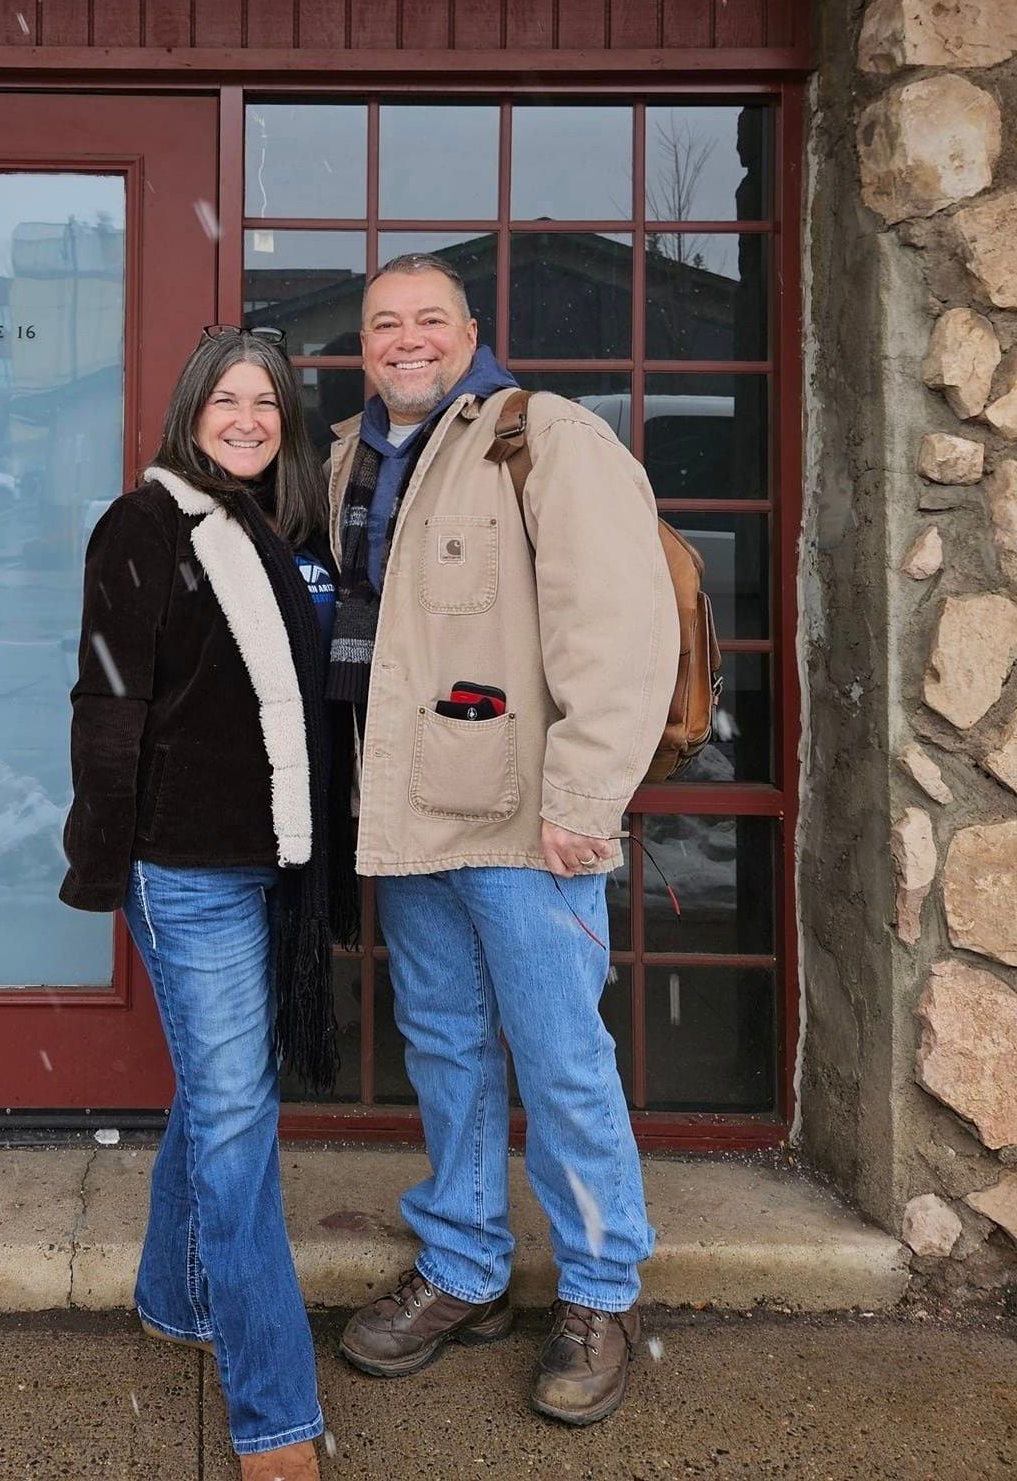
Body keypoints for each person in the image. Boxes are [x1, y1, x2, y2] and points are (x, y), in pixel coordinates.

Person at [327, 255, 679, 1426]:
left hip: (532, 820)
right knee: (445, 1045)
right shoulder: (349, 455)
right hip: (418, 815)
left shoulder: (549, 439)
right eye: (387, 324)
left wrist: (586, 796)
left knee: (560, 1055)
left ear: (471, 333)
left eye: (431, 320)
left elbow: (619, 629)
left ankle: (597, 1288)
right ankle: (465, 1264)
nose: (408, 339)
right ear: (364, 342)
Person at [60, 326, 356, 1481]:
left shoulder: (274, 536)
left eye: (265, 402)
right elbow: (109, 703)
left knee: (221, 1094)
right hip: (184, 871)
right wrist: (105, 855)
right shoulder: (143, 528)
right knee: (239, 1122)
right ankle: (275, 1417)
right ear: (191, 411)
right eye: (225, 400)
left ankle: (173, 1297)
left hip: (268, 861)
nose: (245, 417)